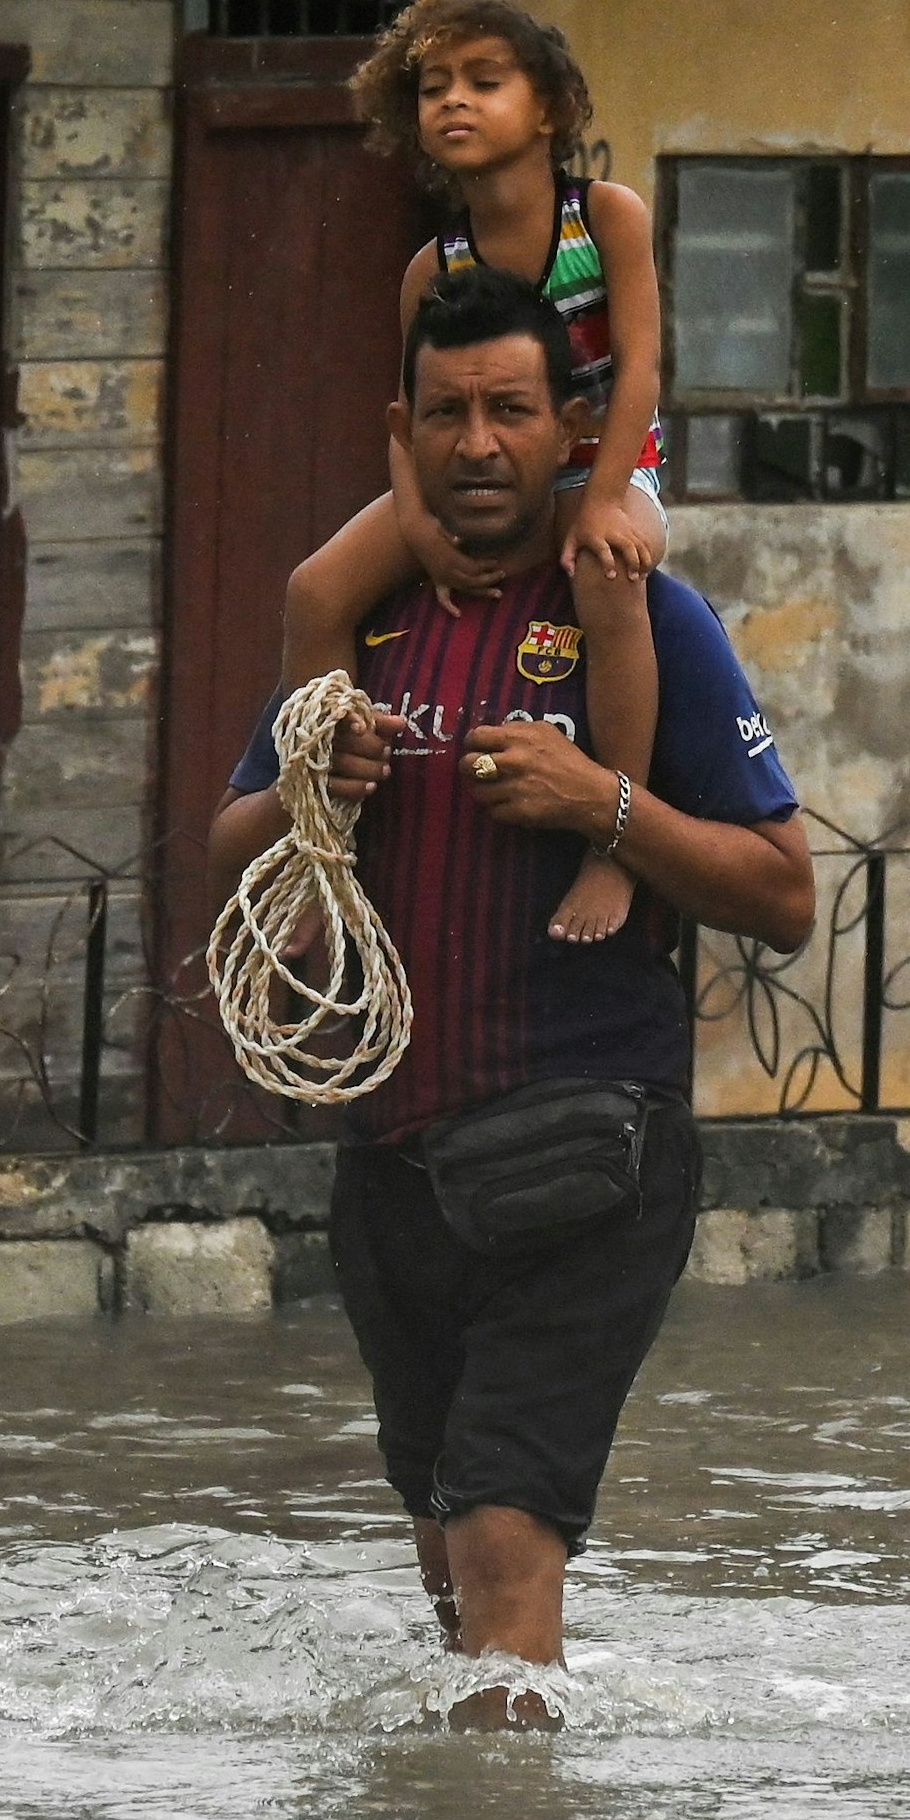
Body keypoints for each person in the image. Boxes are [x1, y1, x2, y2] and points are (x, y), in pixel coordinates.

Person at [211, 264, 809, 1730]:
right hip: (395, 1161)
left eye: (513, 411)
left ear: (572, 430)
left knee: (494, 1530)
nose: (479, 443)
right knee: (445, 1551)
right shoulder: (366, 621)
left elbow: (784, 892)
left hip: (586, 1152)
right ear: (401, 431)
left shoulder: (644, 616)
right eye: (449, 411)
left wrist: (603, 805)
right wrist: (309, 789)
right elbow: (223, 851)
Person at [282, 0, 672, 945]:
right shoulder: (434, 267)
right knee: (317, 589)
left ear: (549, 109)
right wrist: (419, 527)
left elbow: (643, 371)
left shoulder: (606, 217)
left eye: (484, 82)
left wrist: (605, 499)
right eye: (433, 87)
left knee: (608, 581)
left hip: (601, 466)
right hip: (469, 479)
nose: (454, 101)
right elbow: (409, 417)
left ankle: (613, 839)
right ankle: (315, 846)